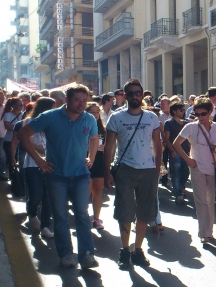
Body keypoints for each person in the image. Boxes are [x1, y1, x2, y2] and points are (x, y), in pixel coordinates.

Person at [18, 84, 99, 270]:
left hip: (80, 174)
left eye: (85, 100)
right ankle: (66, 255)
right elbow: (23, 134)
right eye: (78, 100)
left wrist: (91, 157)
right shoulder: (50, 117)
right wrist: (39, 161)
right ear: (67, 100)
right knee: (61, 216)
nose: (82, 104)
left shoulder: (89, 119)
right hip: (56, 175)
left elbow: (94, 138)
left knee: (82, 215)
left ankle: (87, 254)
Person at [104, 78, 162, 270]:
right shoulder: (116, 118)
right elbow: (109, 147)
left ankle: (138, 250)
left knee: (145, 211)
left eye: (139, 93)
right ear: (125, 96)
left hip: (147, 170)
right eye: (131, 93)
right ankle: (125, 250)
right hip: (125, 169)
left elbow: (157, 145)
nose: (135, 96)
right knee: (125, 212)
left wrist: (157, 169)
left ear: (143, 95)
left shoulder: (152, 118)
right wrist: (107, 172)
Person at [173, 97, 216, 243]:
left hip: (213, 167)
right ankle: (204, 233)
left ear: (210, 112)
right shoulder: (191, 127)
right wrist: (188, 160)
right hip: (197, 168)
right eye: (197, 114)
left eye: (203, 114)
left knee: (210, 201)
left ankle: (209, 230)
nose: (200, 117)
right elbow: (176, 143)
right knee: (201, 201)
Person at [21, 97, 56, 238]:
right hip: (32, 163)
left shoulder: (53, 122)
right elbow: (26, 141)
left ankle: (45, 226)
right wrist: (42, 151)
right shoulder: (30, 121)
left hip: (50, 164)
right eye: (52, 107)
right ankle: (32, 213)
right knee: (35, 194)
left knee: (47, 196)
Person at [163, 102, 190, 205]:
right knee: (176, 174)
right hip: (175, 153)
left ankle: (179, 188)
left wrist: (189, 150)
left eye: (183, 110)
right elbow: (167, 138)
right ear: (174, 111)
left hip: (185, 152)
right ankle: (178, 194)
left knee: (185, 173)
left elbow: (188, 138)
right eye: (181, 110)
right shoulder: (168, 123)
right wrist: (172, 150)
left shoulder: (186, 123)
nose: (183, 112)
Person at [86, 102, 106, 230]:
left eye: (97, 112)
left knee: (98, 191)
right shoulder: (84, 125)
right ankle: (83, 216)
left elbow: (108, 144)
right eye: (92, 112)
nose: (95, 114)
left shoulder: (102, 128)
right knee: (86, 192)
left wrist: (103, 148)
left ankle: (96, 218)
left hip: (99, 160)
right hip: (86, 160)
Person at [2, 96, 23, 177]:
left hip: (21, 141)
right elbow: (8, 126)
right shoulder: (8, 114)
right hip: (9, 140)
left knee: (19, 160)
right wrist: (19, 129)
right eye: (19, 104)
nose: (21, 106)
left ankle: (20, 178)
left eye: (22, 104)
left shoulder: (24, 114)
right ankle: (13, 177)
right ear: (13, 105)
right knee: (11, 160)